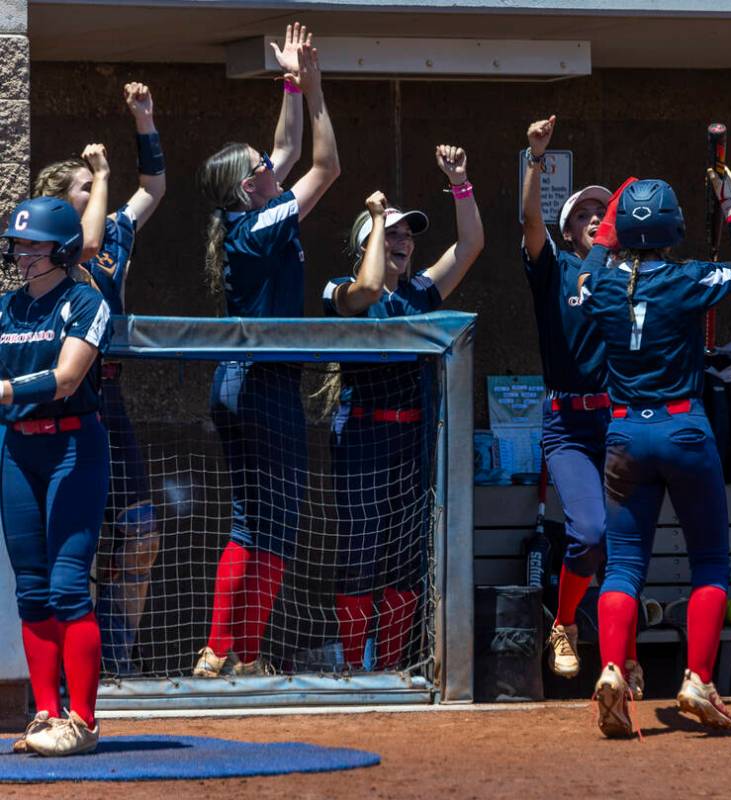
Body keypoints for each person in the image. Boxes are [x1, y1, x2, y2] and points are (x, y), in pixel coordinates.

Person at [580, 168, 731, 737]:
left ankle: (613, 669)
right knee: (709, 561)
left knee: (625, 566)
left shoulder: (602, 283)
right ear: (670, 226)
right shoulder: (686, 279)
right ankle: (698, 679)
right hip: (684, 430)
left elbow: (583, 279)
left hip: (625, 434)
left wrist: (606, 238)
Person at [194, 22, 340, 677]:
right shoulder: (258, 225)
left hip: (247, 381)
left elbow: (283, 147)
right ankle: (227, 652)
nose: (269, 165)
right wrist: (314, 91)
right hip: (260, 384)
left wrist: (287, 75)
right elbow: (325, 166)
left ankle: (230, 654)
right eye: (259, 167)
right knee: (265, 524)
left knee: (262, 521)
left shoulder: (252, 211)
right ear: (245, 187)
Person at [325, 148, 482, 672]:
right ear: (364, 243)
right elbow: (367, 289)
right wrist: (373, 218)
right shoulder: (341, 290)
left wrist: (460, 183)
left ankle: (391, 668)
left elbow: (471, 246)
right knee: (359, 554)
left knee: (403, 559)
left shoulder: (418, 291)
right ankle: (353, 669)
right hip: (363, 436)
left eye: (406, 236)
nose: (403, 242)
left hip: (413, 440)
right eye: (391, 235)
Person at [33, 81, 167, 676]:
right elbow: (86, 242)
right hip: (66, 391)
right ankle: (74, 665)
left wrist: (144, 121)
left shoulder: (116, 229)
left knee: (141, 530)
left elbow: (154, 189)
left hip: (108, 391)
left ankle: (116, 656)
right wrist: (101, 174)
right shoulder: (63, 238)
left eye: (96, 186)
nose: (99, 196)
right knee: (72, 543)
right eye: (86, 189)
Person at [520, 115, 643, 695]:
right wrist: (534, 157)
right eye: (585, 214)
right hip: (568, 421)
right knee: (589, 531)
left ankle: (624, 657)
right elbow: (528, 224)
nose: (596, 217)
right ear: (569, 230)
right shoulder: (558, 269)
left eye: (605, 212)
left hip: (620, 418)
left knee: (624, 543)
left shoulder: (630, 276)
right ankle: (565, 623)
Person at [0, 197, 112, 756]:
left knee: (69, 585)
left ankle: (84, 722)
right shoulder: (5, 309)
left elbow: (67, 378)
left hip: (74, 447)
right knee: (32, 589)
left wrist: (7, 390)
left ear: (62, 249)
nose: (22, 254)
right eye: (18, 244)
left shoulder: (85, 300)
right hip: (18, 450)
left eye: (34, 245)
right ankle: (45, 716)